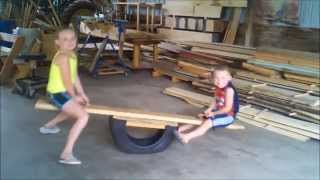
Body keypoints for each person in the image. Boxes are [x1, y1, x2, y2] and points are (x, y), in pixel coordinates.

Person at [39, 28, 90, 165]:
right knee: (83, 116)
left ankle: (49, 126)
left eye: (73, 38)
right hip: (56, 94)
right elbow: (67, 81)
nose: (70, 42)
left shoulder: (71, 54)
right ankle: (66, 154)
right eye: (65, 39)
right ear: (57, 42)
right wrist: (73, 97)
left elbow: (74, 77)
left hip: (63, 93)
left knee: (78, 107)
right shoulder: (62, 57)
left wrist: (82, 94)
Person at [175, 65, 239, 144]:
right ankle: (179, 129)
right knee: (201, 117)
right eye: (217, 78)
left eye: (223, 78)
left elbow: (227, 108)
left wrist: (213, 113)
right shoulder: (218, 87)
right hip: (219, 111)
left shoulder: (229, 90)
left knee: (207, 122)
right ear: (213, 78)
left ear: (229, 78)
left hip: (229, 116)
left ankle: (187, 137)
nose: (219, 81)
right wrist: (208, 111)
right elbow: (215, 101)